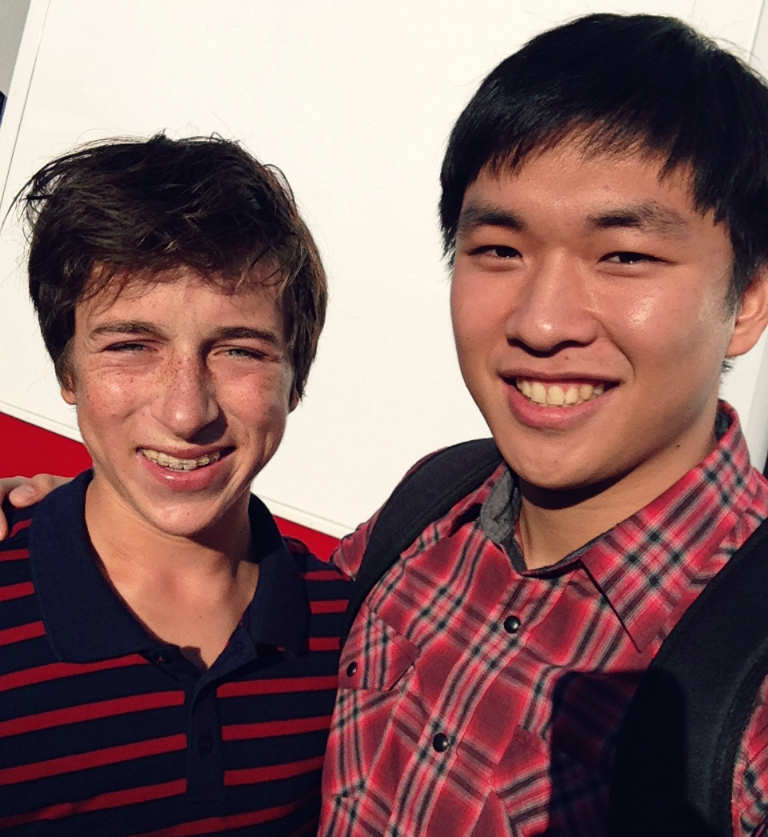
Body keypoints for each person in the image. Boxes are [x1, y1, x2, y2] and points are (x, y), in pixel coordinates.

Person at [6, 12, 768, 837]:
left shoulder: (748, 703)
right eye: (499, 249)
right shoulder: (425, 516)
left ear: (748, 299)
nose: (542, 322)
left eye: (624, 256)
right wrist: (70, 513)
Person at [0, 134, 349, 835]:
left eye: (239, 350)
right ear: (68, 372)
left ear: (295, 380)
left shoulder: (352, 635)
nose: (187, 412)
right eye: (131, 345)